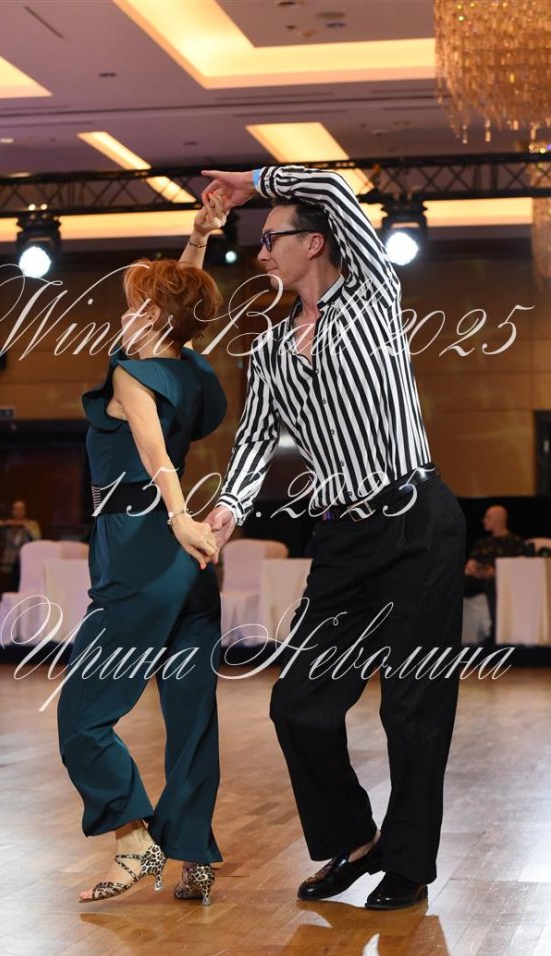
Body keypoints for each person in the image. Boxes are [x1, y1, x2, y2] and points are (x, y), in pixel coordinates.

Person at [202, 165, 466, 910]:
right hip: (343, 538)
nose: (260, 253)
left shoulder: (373, 294)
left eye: (271, 239)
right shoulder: (270, 350)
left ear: (314, 241)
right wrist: (227, 511)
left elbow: (334, 188)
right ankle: (355, 841)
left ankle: (408, 865)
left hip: (416, 523)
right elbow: (254, 443)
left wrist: (255, 181)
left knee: (412, 705)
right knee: (299, 703)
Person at [57, 193, 228, 906]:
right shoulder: (190, 368)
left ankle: (135, 841)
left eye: (133, 305)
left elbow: (156, 455)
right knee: (191, 709)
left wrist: (180, 515)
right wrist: (199, 238)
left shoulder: (131, 373)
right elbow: (181, 305)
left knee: (82, 714)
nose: (122, 313)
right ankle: (194, 851)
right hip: (188, 562)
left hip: (142, 548)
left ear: (153, 317)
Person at [465, 504, 526, 641]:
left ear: (498, 519)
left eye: (488, 517)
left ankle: (495, 633)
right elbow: (471, 563)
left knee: (491, 584)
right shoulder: (482, 543)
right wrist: (473, 569)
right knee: (456, 583)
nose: (484, 520)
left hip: (501, 581)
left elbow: (520, 568)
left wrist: (496, 573)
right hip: (478, 579)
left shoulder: (515, 542)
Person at [0, 499, 41, 590]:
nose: (19, 511)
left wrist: (25, 525)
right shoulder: (8, 524)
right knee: (8, 586)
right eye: (16, 509)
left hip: (24, 561)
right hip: (9, 560)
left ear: (25, 511)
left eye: (21, 509)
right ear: (12, 511)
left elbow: (37, 537)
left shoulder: (32, 523)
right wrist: (5, 523)